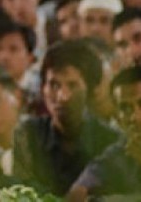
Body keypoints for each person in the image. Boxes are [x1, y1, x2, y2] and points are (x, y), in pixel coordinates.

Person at [11, 40, 120, 195]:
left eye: (73, 85)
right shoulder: (28, 134)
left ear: (90, 89)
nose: (62, 96)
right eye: (54, 85)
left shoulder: (111, 140)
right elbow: (23, 194)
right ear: (43, 88)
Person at [67, 65, 141, 200]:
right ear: (118, 117)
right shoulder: (121, 150)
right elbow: (79, 188)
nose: (135, 117)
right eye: (125, 108)